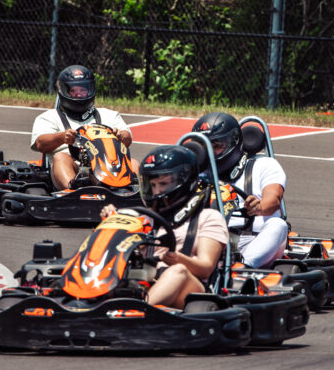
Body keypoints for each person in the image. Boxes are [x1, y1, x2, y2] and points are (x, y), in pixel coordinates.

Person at [100, 145, 229, 309]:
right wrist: (112, 222)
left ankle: (136, 310)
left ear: (183, 182)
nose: (156, 191)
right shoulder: (143, 217)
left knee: (178, 271)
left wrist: (178, 259)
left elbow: (206, 268)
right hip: (145, 280)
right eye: (152, 185)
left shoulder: (208, 217)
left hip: (190, 289)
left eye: (163, 184)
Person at [192, 112, 288, 268]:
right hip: (208, 238)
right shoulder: (195, 173)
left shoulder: (263, 165)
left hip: (251, 241)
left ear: (233, 142)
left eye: (216, 146)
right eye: (205, 146)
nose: (210, 152)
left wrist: (259, 207)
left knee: (278, 225)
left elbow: (274, 199)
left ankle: (242, 267)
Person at [31, 65, 134, 190]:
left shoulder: (109, 115)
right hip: (73, 169)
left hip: (109, 167)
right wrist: (62, 137)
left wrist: (120, 136)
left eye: (82, 90)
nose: (79, 95)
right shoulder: (49, 117)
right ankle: (73, 191)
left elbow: (127, 139)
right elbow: (40, 144)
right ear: (64, 91)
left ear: (90, 90)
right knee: (60, 157)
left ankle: (134, 194)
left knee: (133, 163)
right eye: (74, 91)